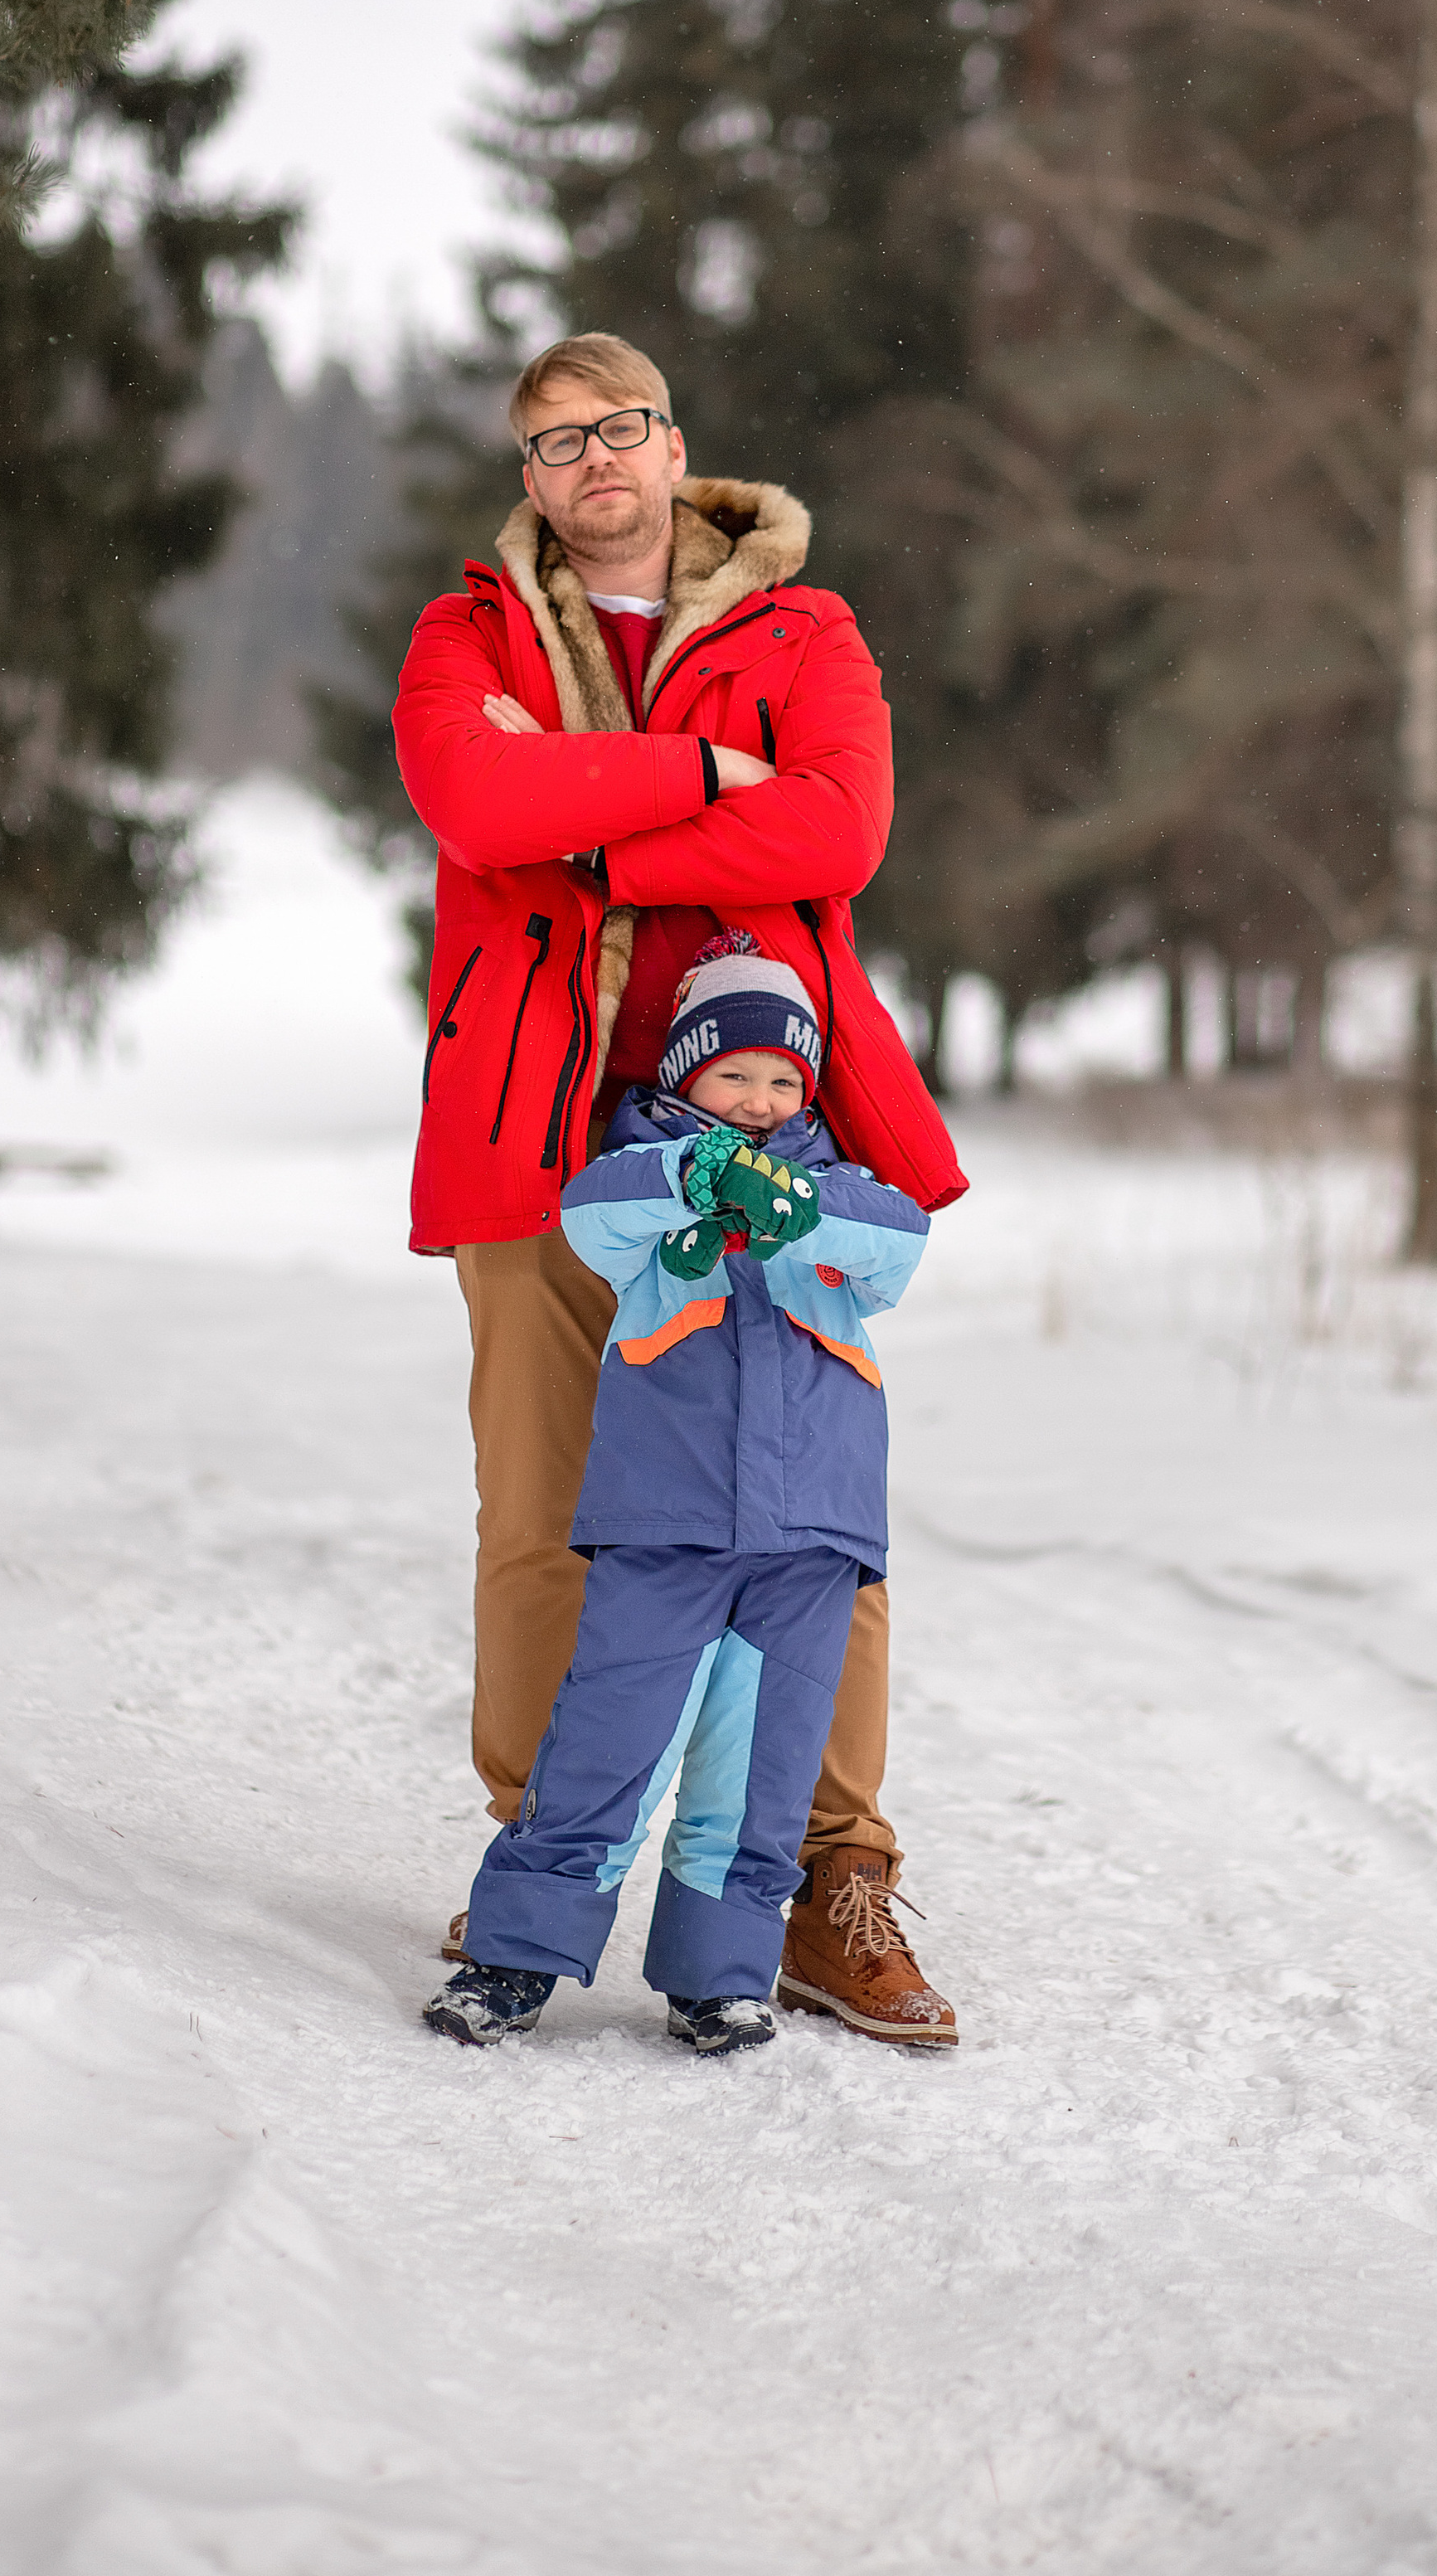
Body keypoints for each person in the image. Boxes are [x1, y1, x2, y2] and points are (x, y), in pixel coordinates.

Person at [393, 331, 967, 2044]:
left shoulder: (808, 629)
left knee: (812, 1535)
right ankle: (536, 1856)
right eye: (553, 441)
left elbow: (837, 835)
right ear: (529, 478)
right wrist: (720, 780)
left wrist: (585, 826)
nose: (591, 463)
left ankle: (824, 1881)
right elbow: (468, 796)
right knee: (543, 1520)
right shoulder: (464, 635)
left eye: (617, 428)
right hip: (539, 1135)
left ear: (674, 447)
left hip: (785, 1135)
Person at [425, 936, 937, 2054]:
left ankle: (721, 1974)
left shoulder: (842, 1191)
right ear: (685, 1078)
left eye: (784, 1081)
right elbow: (592, 1212)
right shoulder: (646, 1186)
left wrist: (799, 1208)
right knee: (609, 1744)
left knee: (758, 1773)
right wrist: (693, 1177)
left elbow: (899, 1242)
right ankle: (515, 1956)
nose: (759, 1101)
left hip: (809, 1536)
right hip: (668, 1525)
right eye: (734, 1077)